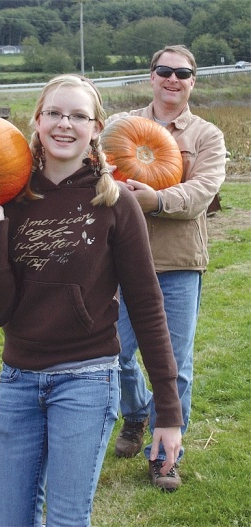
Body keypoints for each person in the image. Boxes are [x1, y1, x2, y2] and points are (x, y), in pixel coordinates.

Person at [0, 74, 183, 527]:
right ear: (36, 121)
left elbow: (148, 306)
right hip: (18, 381)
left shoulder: (115, 202)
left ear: (96, 128)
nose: (64, 124)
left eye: (78, 115)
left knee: (67, 520)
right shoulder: (11, 199)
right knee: (11, 520)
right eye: (54, 113)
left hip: (86, 379)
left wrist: (167, 413)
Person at [106, 45, 227, 491]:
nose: (172, 79)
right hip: (120, 261)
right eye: (164, 71)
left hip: (178, 262)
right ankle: (136, 414)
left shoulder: (207, 136)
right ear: (151, 76)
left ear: (193, 81)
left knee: (175, 365)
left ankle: (164, 455)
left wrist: (153, 199)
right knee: (112, 353)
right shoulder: (121, 127)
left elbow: (199, 194)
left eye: (183, 73)